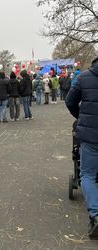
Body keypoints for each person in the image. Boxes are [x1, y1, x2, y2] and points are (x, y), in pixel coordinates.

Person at [66, 57, 98, 239]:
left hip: (91, 136)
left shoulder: (84, 78)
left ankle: (95, 214)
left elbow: (70, 102)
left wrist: (81, 117)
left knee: (87, 175)